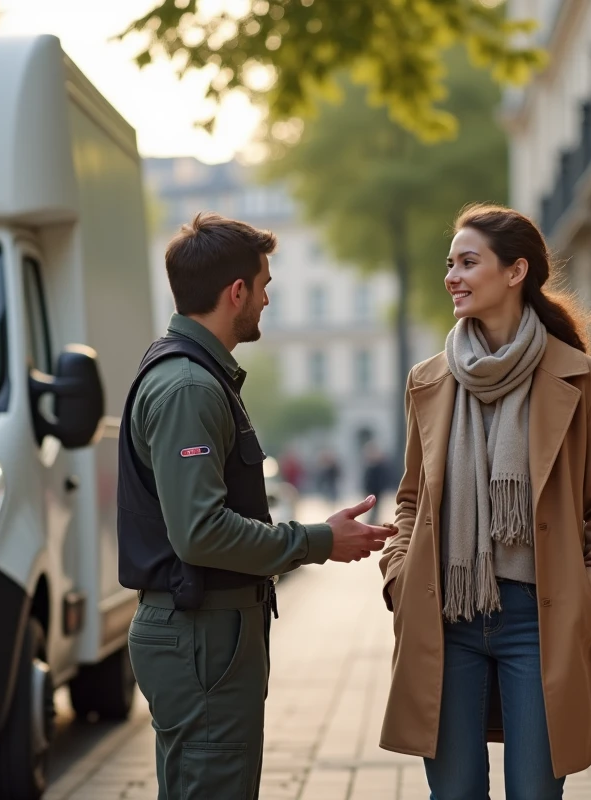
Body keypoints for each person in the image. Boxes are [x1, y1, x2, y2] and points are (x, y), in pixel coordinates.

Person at [117, 212, 396, 800]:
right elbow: (200, 533)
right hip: (201, 638)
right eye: (264, 285)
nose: (268, 300)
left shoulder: (192, 374)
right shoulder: (191, 387)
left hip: (204, 637)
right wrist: (319, 541)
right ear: (236, 291)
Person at [377, 203, 591, 799]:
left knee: (535, 794)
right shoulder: (429, 381)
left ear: (516, 272)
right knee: (456, 793)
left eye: (469, 263)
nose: (453, 277)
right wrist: (397, 578)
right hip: (445, 618)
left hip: (539, 619)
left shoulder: (582, 378)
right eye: (450, 264)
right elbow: (411, 498)